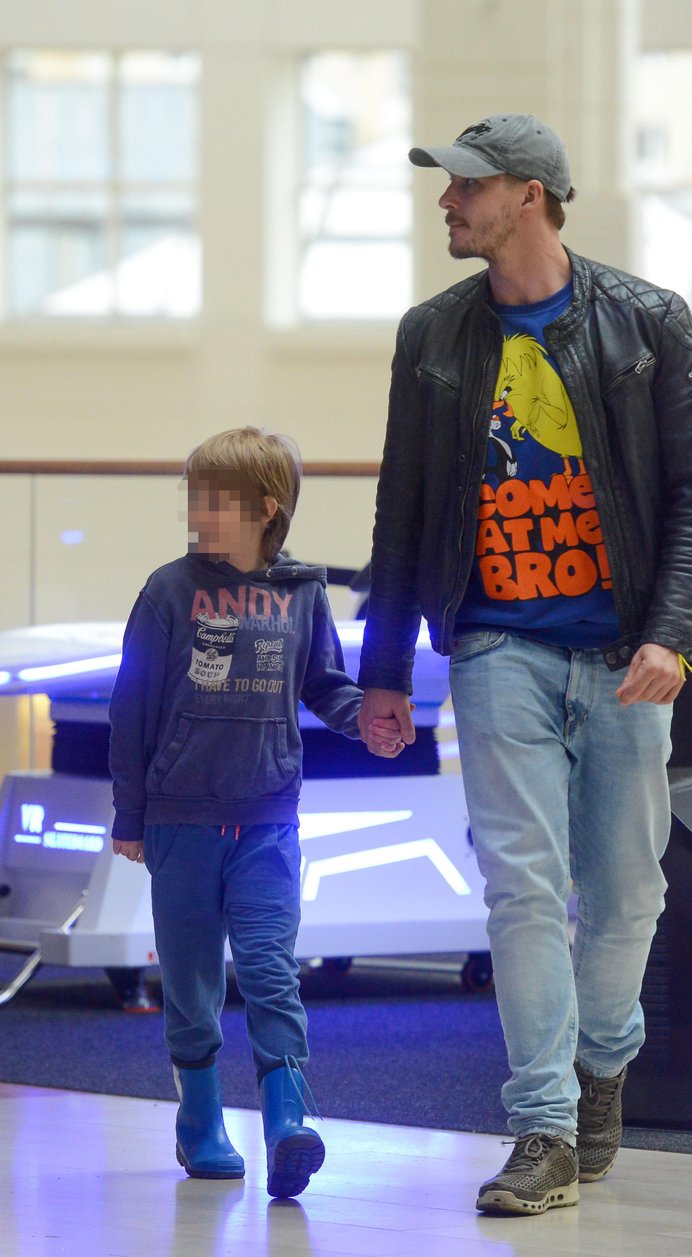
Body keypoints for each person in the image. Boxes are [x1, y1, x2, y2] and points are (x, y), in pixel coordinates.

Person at [358, 114, 692, 1216]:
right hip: (495, 643)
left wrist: (672, 631)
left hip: (623, 652)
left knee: (626, 893)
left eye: (466, 186)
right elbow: (400, 507)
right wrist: (384, 670)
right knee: (521, 887)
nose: (446, 202)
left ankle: (603, 1062)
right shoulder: (431, 334)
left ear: (530, 195)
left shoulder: (648, 321)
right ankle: (543, 1126)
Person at [109, 426, 402, 1198]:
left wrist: (365, 718)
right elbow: (131, 706)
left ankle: (286, 1123)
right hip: (179, 823)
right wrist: (130, 814)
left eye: (212, 500)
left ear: (265, 508)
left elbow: (325, 685)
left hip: (269, 821)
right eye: (193, 497)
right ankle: (201, 1124)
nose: (195, 513)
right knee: (192, 983)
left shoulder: (303, 594)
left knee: (272, 971)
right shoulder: (167, 590)